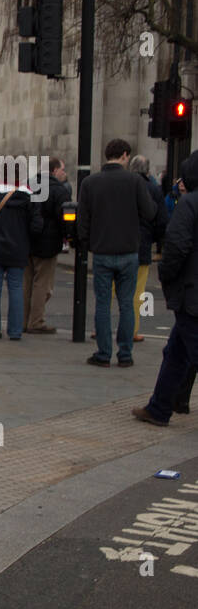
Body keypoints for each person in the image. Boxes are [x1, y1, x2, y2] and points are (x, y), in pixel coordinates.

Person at [132, 152, 198, 426]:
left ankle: (159, 408)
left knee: (187, 350)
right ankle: (159, 407)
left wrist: (167, 277)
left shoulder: (189, 203)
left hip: (192, 293)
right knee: (176, 352)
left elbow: (177, 246)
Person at [78, 139, 156, 367]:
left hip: (102, 251)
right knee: (126, 303)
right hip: (129, 251)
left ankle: (103, 354)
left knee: (102, 304)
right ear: (124, 155)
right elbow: (150, 213)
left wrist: (86, 242)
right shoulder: (135, 181)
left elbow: (83, 221)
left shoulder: (90, 183)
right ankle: (125, 354)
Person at [0, 164, 42, 340]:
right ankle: (15, 331)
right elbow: (37, 227)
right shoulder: (30, 197)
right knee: (16, 288)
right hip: (18, 249)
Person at [24, 156, 72, 334]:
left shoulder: (28, 185)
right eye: (62, 170)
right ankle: (36, 322)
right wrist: (68, 236)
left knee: (26, 282)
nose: (64, 174)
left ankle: (22, 320)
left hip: (27, 240)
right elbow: (65, 217)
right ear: (53, 171)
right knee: (42, 284)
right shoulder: (59, 191)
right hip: (48, 243)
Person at [129, 154, 169, 342]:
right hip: (141, 245)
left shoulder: (122, 185)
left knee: (108, 292)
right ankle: (132, 330)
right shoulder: (153, 189)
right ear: (147, 170)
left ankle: (100, 328)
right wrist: (152, 239)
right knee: (137, 292)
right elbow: (161, 220)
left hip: (115, 244)